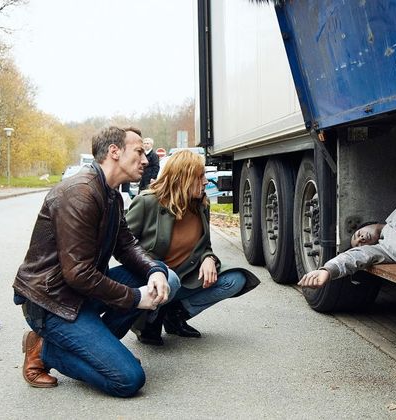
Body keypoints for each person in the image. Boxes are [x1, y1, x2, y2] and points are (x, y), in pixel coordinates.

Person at [13, 126, 180, 396]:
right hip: (52, 302)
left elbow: (126, 245)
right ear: (114, 152)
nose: (146, 159)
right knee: (128, 379)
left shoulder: (111, 195)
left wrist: (155, 271)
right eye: (138, 152)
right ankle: (46, 349)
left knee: (155, 280)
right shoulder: (80, 193)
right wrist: (136, 298)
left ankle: (94, 350)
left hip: (79, 294)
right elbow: (78, 273)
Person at [125, 150, 260, 346]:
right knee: (169, 279)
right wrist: (152, 268)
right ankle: (147, 322)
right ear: (183, 178)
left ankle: (175, 315)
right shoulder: (148, 202)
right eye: (200, 176)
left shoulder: (201, 206)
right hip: (153, 279)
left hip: (184, 279)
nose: (206, 182)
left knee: (236, 279)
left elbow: (206, 246)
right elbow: (124, 245)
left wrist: (209, 259)